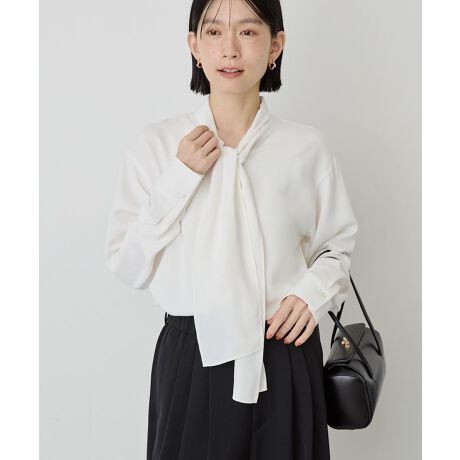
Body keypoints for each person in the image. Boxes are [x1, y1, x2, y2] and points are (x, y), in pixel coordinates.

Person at [104, 0, 359, 458]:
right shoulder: (157, 147)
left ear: (275, 46)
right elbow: (128, 265)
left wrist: (311, 294)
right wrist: (180, 178)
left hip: (284, 351)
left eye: (247, 31)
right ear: (194, 46)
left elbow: (337, 246)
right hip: (192, 356)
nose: (230, 49)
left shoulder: (307, 148)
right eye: (214, 32)